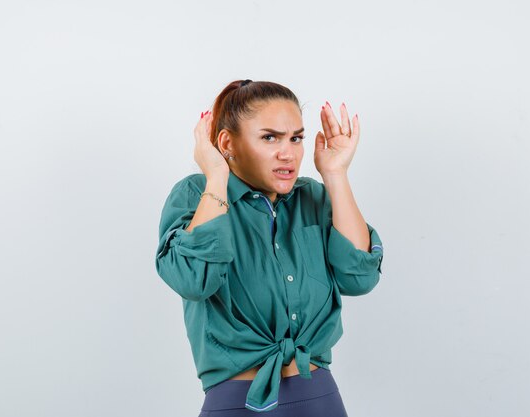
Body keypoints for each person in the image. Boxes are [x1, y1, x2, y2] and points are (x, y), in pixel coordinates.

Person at [155, 79, 384, 416]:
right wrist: (217, 174)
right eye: (269, 137)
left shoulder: (313, 197)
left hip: (318, 396)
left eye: (296, 138)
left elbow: (359, 278)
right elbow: (194, 281)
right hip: (238, 400)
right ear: (227, 142)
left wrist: (335, 174)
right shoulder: (196, 194)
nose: (287, 153)